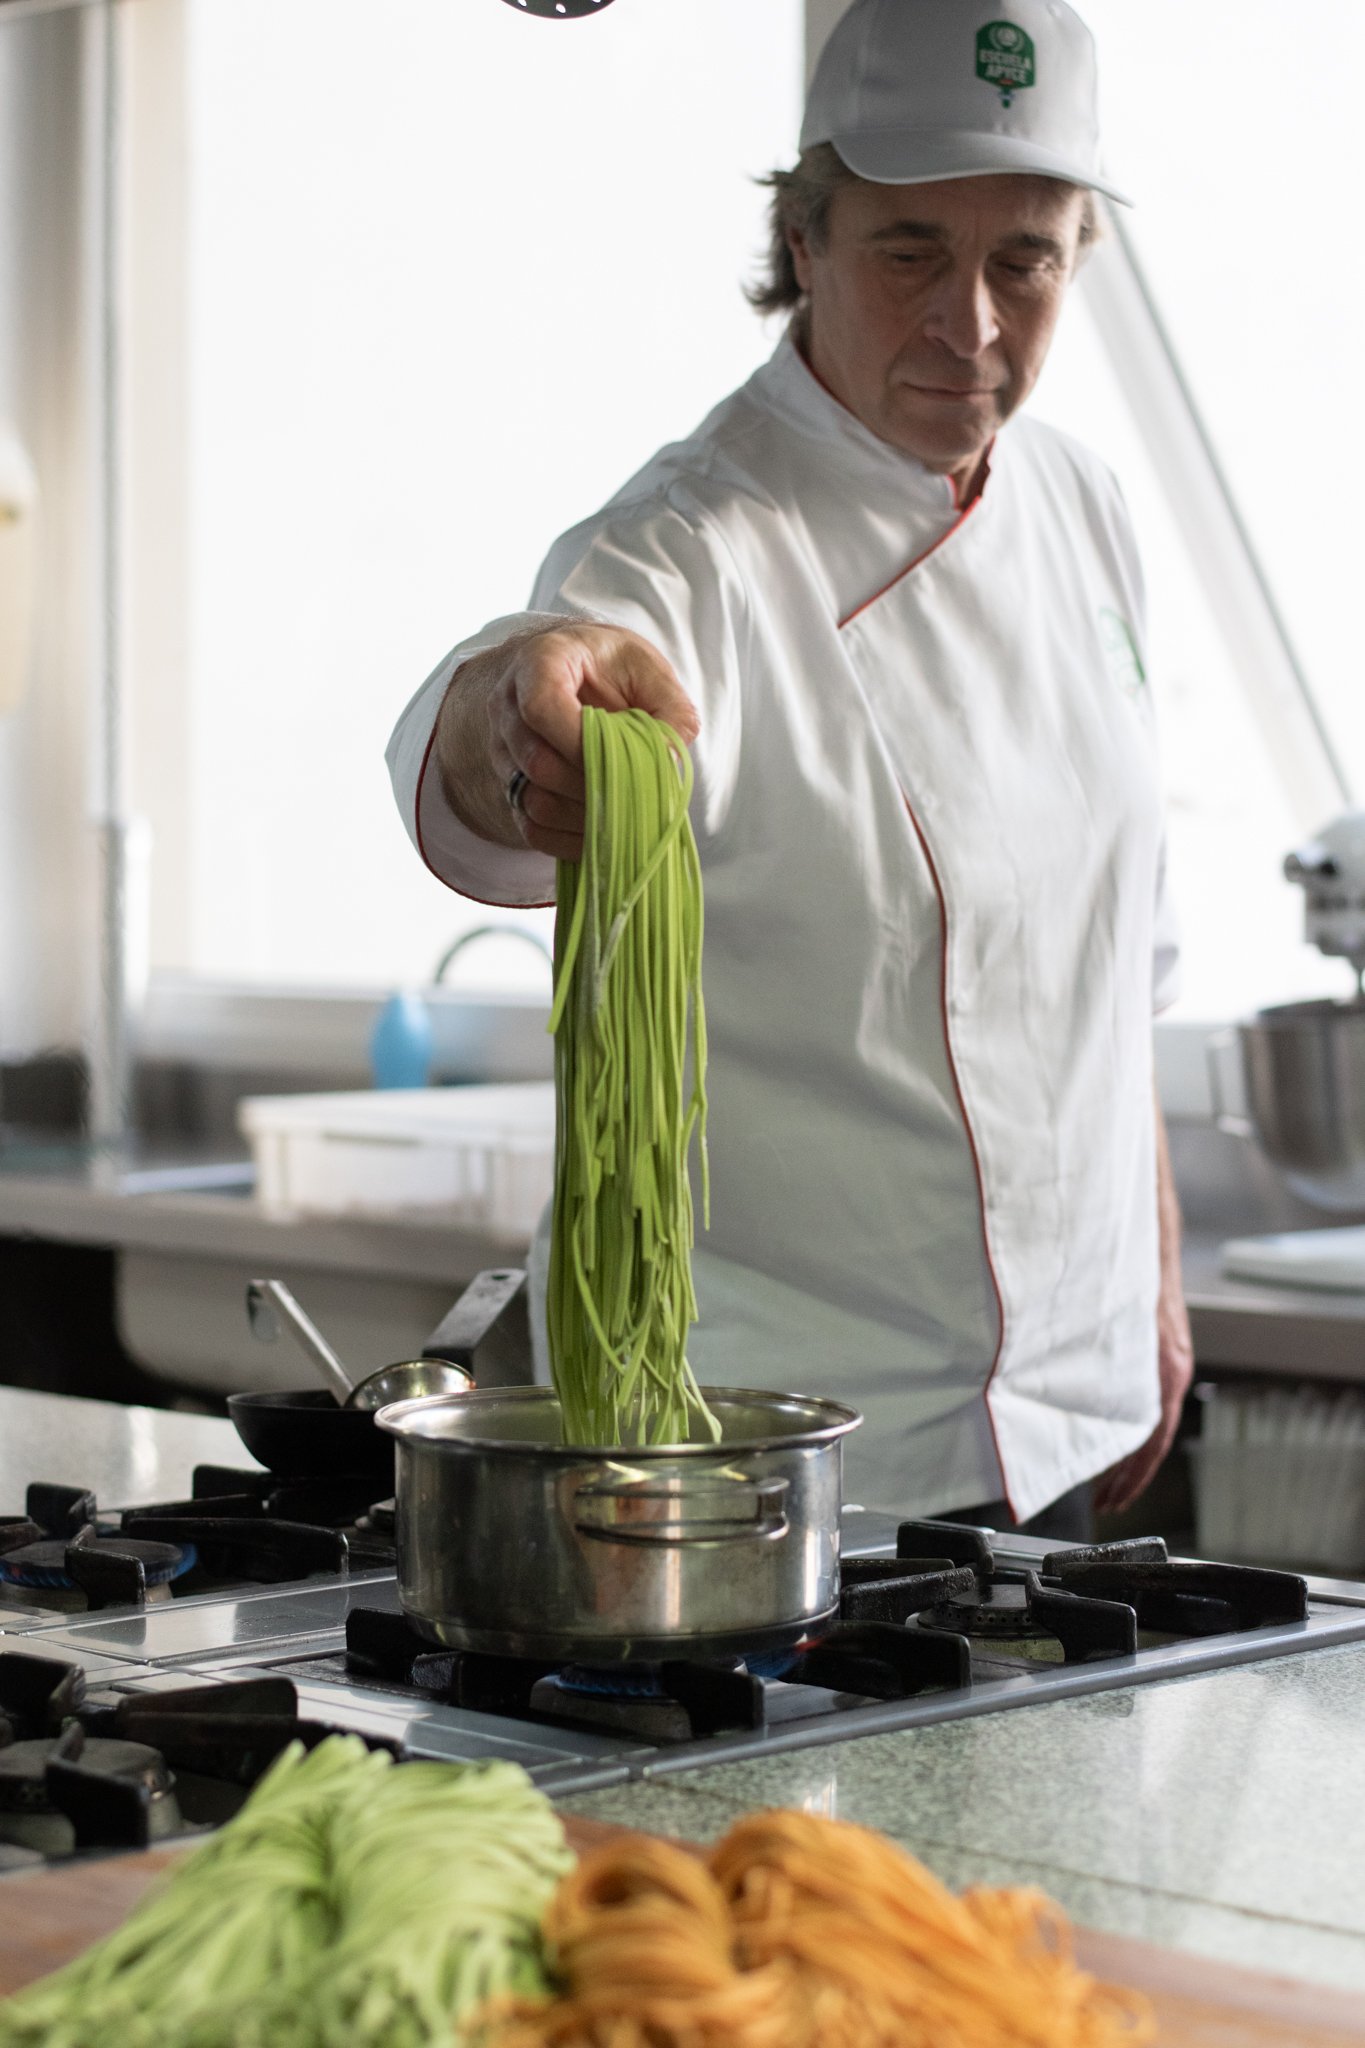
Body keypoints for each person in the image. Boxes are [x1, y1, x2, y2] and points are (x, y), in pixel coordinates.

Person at [386, 0, 1194, 1537]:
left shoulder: (1084, 507)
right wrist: (512, 716)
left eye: (1024, 260)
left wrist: (1150, 1296)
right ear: (803, 239)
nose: (970, 325)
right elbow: (525, 713)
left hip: (1076, 1421)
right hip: (784, 1456)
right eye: (909, 252)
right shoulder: (687, 542)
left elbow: (1117, 969)